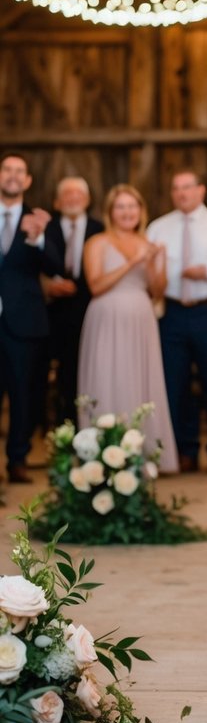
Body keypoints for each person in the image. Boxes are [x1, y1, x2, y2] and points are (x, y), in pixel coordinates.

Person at [147, 170, 207, 475]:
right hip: (173, 312)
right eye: (176, 188)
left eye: (187, 188)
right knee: (175, 384)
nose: (181, 194)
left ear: (200, 191)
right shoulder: (158, 228)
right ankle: (183, 450)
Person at [76, 184, 178, 473]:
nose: (127, 212)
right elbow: (96, 286)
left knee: (139, 378)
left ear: (140, 211)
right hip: (106, 318)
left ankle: (144, 452)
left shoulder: (148, 241)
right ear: (111, 212)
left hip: (141, 318)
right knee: (107, 376)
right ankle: (103, 450)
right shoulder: (97, 242)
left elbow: (157, 291)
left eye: (132, 206)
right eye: (121, 207)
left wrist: (156, 263)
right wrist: (133, 261)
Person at [0, 152, 51, 483]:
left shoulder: (40, 218)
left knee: (22, 393)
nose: (13, 175)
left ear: (28, 180)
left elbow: (56, 267)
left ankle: (17, 458)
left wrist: (38, 239)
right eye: (7, 169)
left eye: (20, 171)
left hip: (22, 321)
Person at [42, 177, 104, 426]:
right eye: (67, 194)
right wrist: (48, 286)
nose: (73, 198)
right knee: (55, 376)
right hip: (51, 314)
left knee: (84, 373)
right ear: (57, 202)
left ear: (87, 200)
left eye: (78, 193)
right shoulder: (46, 229)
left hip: (89, 312)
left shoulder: (99, 229)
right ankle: (57, 429)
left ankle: (86, 426)